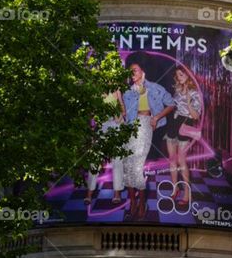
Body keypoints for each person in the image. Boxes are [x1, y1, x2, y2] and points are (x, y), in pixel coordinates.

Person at [121, 57, 174, 221]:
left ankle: (142, 203)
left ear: (143, 71)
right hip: (130, 128)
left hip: (145, 125)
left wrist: (157, 117)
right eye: (130, 72)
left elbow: (171, 104)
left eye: (135, 71)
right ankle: (133, 202)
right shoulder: (128, 92)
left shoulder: (156, 88)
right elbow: (125, 114)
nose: (132, 74)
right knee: (127, 167)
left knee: (136, 166)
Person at [165, 66, 203, 199]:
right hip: (173, 123)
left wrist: (188, 100)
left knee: (182, 161)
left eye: (181, 75)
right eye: (177, 75)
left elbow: (196, 116)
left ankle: (187, 194)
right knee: (172, 159)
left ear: (188, 75)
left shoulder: (195, 93)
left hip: (185, 124)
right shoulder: (178, 89)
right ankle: (175, 189)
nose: (179, 77)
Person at [86, 90, 128, 209]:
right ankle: (89, 192)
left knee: (118, 160)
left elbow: (124, 111)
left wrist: (119, 116)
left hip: (116, 125)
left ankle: (117, 192)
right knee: (95, 160)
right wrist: (94, 129)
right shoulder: (96, 92)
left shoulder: (117, 91)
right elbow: (92, 114)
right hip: (102, 126)